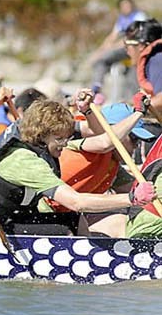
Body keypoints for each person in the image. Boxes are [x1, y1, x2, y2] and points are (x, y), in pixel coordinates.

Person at [0, 100, 156, 235]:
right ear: (41, 134)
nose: (65, 144)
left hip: (6, 217)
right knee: (66, 227)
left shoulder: (44, 144)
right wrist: (130, 199)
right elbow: (77, 202)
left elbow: (98, 134)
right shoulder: (25, 161)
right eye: (59, 139)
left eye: (66, 138)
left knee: (73, 220)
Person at [54, 100, 154, 237]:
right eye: (134, 139)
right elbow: (105, 143)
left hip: (70, 216)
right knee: (118, 223)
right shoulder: (80, 145)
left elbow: (134, 189)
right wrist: (139, 113)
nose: (136, 147)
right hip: (45, 214)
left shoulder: (112, 165)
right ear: (117, 131)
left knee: (122, 218)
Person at [90, 0, 149, 94]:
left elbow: (132, 38)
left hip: (133, 48)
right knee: (100, 60)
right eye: (123, 6)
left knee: (132, 72)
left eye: (128, 5)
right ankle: (96, 88)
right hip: (123, 48)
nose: (126, 7)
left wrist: (111, 48)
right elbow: (112, 36)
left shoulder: (139, 16)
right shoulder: (122, 18)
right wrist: (99, 51)